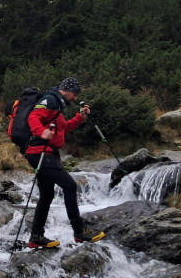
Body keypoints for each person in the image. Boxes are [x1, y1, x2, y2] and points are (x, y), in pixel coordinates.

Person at [25, 77, 105, 248]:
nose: (75, 98)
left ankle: (36, 237)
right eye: (75, 94)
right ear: (67, 90)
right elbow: (33, 117)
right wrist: (41, 132)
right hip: (40, 153)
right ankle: (79, 232)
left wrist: (80, 117)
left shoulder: (58, 106)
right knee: (70, 186)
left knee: (47, 195)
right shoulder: (50, 100)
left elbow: (63, 128)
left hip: (47, 153)